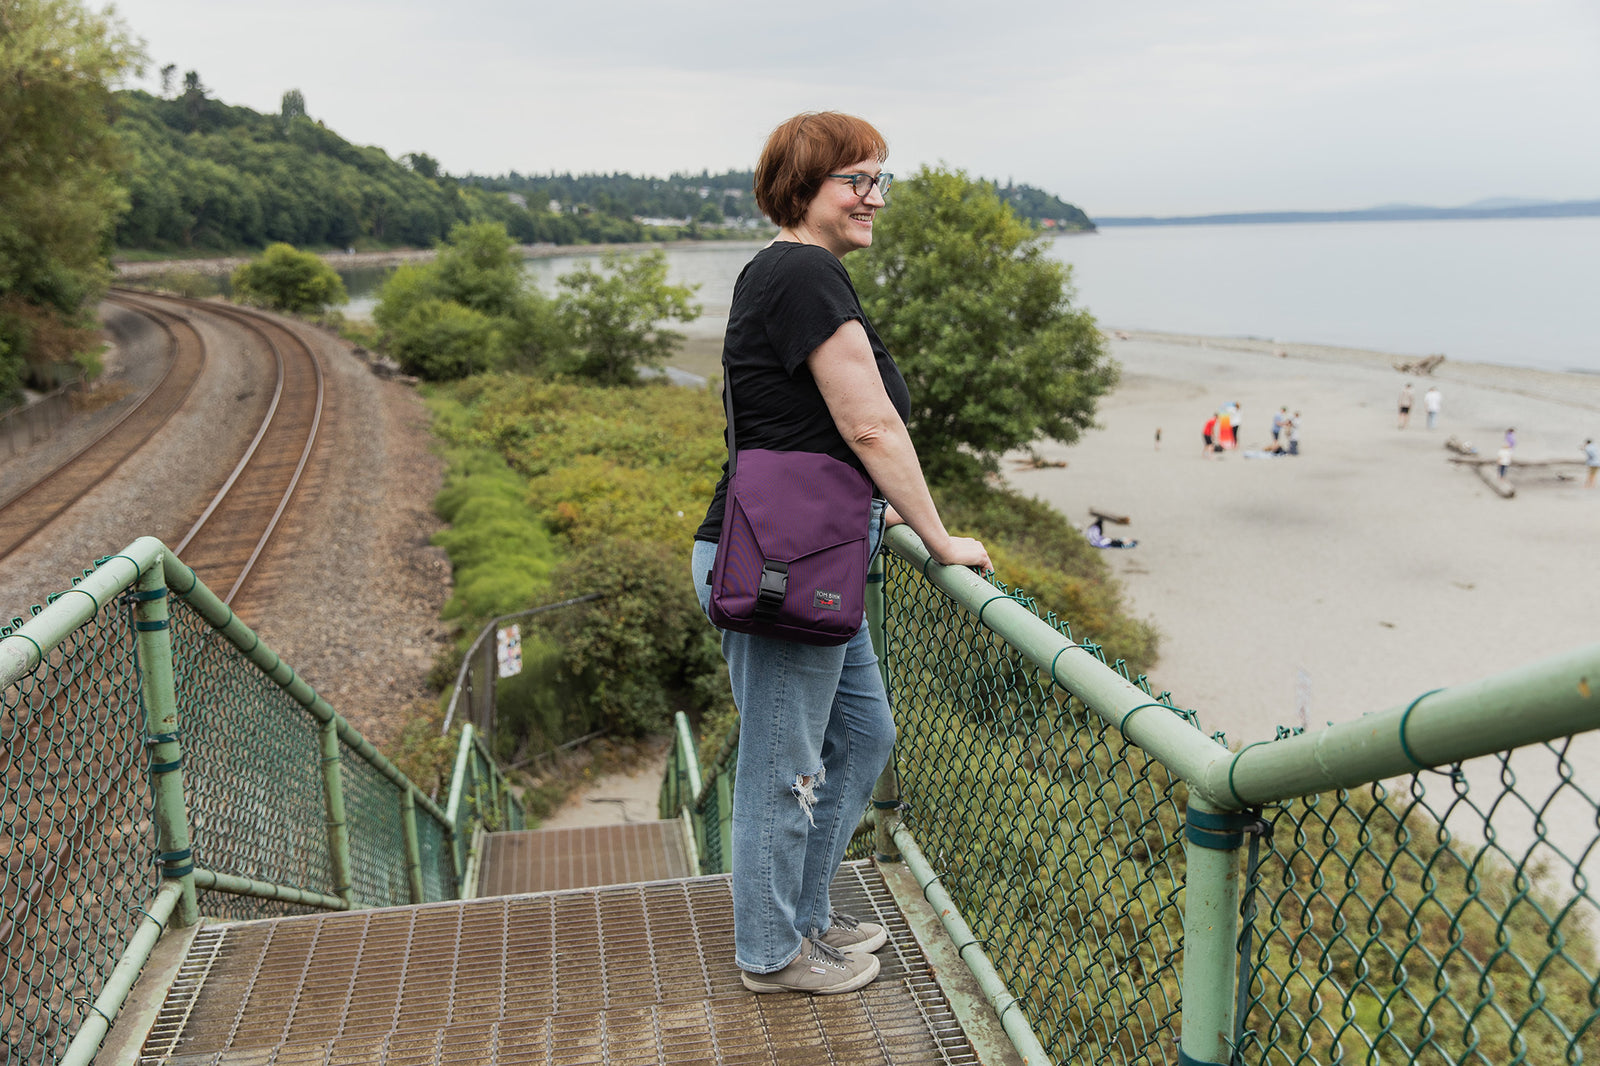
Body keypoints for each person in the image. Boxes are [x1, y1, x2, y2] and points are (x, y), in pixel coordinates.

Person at [690, 112, 991, 996]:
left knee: (863, 736)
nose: (875, 198)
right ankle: (771, 956)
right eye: (856, 180)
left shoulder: (797, 276)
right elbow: (868, 425)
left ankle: (805, 916)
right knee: (783, 768)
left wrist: (884, 522)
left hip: (817, 557)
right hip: (782, 569)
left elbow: (812, 434)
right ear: (802, 188)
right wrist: (937, 535)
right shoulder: (802, 272)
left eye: (879, 179)